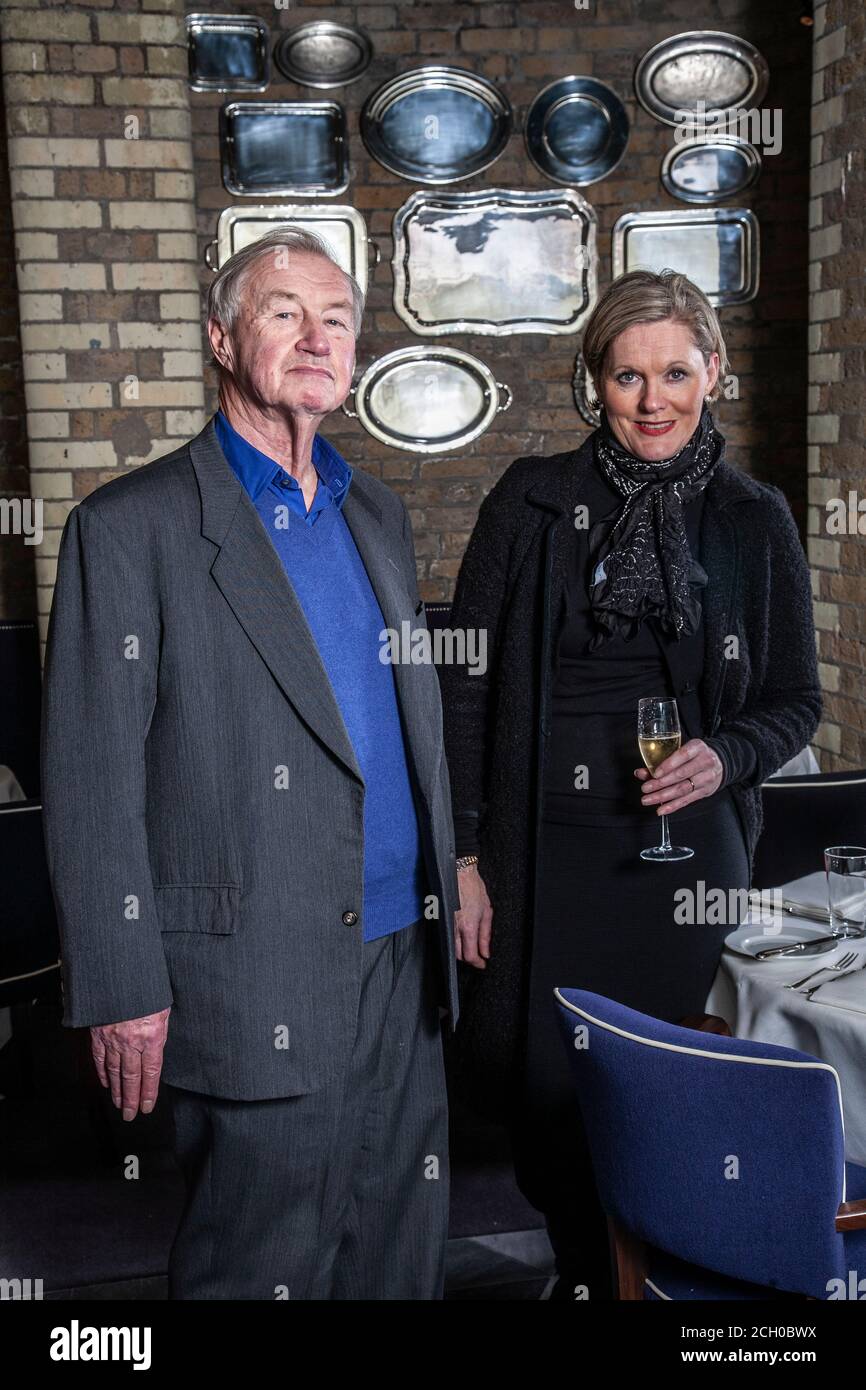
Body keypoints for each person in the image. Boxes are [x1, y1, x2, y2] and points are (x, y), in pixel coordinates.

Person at [41, 227, 459, 1300]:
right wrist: (122, 984)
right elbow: (90, 780)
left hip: (401, 964)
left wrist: (451, 861)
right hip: (250, 969)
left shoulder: (378, 513)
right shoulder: (129, 529)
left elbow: (401, 719)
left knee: (398, 1249)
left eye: (337, 318)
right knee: (262, 1264)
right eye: (285, 312)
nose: (316, 337)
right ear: (222, 338)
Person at [440, 269, 822, 1299]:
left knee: (675, 1094)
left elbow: (794, 700)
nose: (651, 399)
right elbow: (461, 688)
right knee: (548, 1087)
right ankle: (584, 1269)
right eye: (625, 375)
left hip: (682, 859)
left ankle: (662, 1281)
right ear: (591, 384)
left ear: (712, 375)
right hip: (541, 853)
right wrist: (466, 857)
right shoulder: (529, 500)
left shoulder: (752, 517)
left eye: (673, 372)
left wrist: (724, 754)